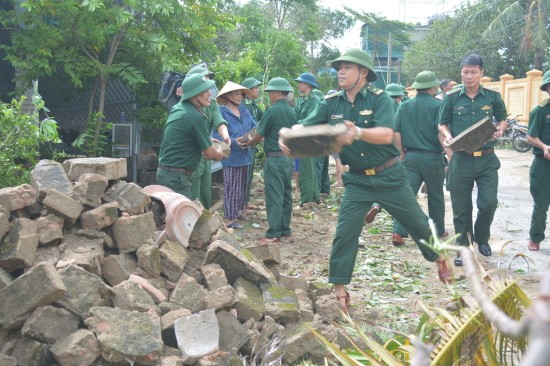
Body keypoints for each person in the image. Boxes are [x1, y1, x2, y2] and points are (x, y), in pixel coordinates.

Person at [280, 48, 453, 310]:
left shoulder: (380, 99)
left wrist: (357, 132)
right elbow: (308, 124)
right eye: (339, 67)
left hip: (390, 175)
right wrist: (291, 134)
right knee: (345, 232)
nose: (341, 71)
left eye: (347, 67)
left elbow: (385, 135)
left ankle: (439, 256)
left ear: (363, 72)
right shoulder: (331, 103)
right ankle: (339, 289)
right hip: (357, 181)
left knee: (417, 223)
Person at [439, 53, 507, 266]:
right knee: (461, 207)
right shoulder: (451, 98)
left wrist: (499, 130)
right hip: (461, 158)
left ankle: (482, 238)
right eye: (465, 72)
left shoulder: (493, 97)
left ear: (481, 73)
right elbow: (442, 123)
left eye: (473, 72)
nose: (469, 76)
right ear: (461, 73)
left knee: (488, 203)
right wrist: (447, 135)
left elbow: (503, 120)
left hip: (487, 159)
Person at [392, 70, 447, 246]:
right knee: (436, 196)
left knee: (406, 196)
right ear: (432, 87)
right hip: (433, 158)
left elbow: (396, 132)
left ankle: (398, 232)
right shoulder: (438, 106)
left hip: (411, 157)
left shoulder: (404, 106)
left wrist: (401, 153)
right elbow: (441, 131)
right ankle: (437, 231)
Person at [156, 74, 227, 198]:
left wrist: (207, 140)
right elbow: (210, 153)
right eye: (205, 91)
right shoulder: (195, 116)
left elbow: (182, 137)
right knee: (183, 216)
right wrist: (223, 151)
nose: (210, 93)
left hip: (168, 174)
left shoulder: (179, 108)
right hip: (177, 179)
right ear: (194, 94)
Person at [245, 77, 296, 244]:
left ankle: (274, 233)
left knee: (274, 195)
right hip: (288, 159)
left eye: (270, 93)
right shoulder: (291, 111)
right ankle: (285, 229)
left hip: (274, 158)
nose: (269, 96)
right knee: (286, 193)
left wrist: (249, 143)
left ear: (275, 92)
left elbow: (259, 134)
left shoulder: (271, 111)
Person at [185, 66, 230, 209]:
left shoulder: (212, 104)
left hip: (206, 154)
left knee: (205, 192)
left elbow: (219, 121)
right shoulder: (186, 107)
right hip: (191, 156)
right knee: (193, 193)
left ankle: (203, 223)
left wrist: (225, 136)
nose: (208, 90)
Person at [214, 81, 257, 229]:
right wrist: (233, 141)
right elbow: (216, 135)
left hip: (245, 154)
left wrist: (250, 137)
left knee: (242, 186)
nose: (240, 96)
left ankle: (238, 211)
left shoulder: (244, 110)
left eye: (241, 94)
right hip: (231, 156)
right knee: (232, 187)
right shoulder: (222, 112)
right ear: (227, 95)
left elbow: (254, 125)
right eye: (236, 94)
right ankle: (228, 218)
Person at [526, 70, 550, 251]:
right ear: (547, 88)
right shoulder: (540, 111)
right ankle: (535, 238)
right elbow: (531, 136)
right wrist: (544, 147)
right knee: (541, 204)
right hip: (543, 165)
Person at [294, 72, 321, 207]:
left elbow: (311, 120)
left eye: (301, 83)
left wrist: (295, 124)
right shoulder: (302, 100)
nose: (299, 85)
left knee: (306, 169)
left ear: (307, 85)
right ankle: (314, 198)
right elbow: (295, 114)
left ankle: (306, 200)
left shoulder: (315, 100)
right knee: (309, 168)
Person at [241, 77, 264, 212]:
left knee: (249, 175)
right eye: (255, 87)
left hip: (252, 144)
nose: (258, 90)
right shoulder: (245, 105)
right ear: (248, 90)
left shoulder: (253, 105)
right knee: (245, 174)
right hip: (247, 144)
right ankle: (242, 204)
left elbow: (262, 117)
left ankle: (246, 201)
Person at [312, 89, 332, 196]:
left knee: (318, 168)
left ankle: (318, 190)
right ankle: (325, 189)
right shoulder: (327, 109)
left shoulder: (318, 110)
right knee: (324, 167)